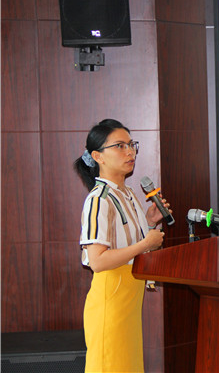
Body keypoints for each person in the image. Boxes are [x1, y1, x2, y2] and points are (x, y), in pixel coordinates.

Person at [74, 119, 167, 373]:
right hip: (111, 301)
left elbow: (131, 244)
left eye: (131, 144)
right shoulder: (98, 199)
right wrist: (146, 243)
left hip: (129, 300)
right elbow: (98, 261)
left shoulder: (128, 194)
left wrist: (149, 222)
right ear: (98, 156)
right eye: (119, 146)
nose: (130, 152)